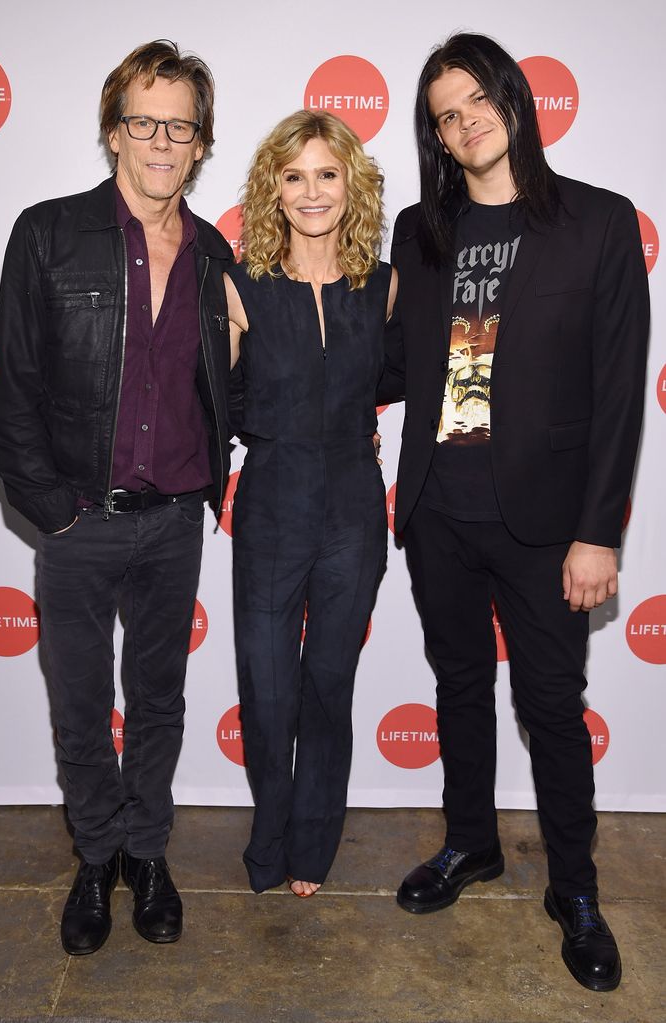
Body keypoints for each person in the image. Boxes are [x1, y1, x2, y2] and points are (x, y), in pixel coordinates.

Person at [379, 33, 649, 991]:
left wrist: (598, 532)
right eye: (445, 114)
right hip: (439, 513)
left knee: (550, 707)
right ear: (438, 136)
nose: (465, 120)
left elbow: (619, 393)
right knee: (457, 686)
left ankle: (573, 888)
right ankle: (469, 844)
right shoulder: (419, 230)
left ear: (513, 98)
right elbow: (392, 365)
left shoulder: (600, 221)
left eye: (476, 98)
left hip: (546, 524)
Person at [0, 40, 232, 955]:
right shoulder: (48, 232)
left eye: (180, 124)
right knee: (81, 705)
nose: (162, 140)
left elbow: (227, 384)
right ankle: (95, 858)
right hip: (79, 519)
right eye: (144, 120)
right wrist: (54, 511)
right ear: (113, 130)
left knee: (159, 701)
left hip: (174, 523)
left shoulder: (214, 254)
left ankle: (147, 852)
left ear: (201, 142)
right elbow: (10, 397)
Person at [225, 110, 396, 897]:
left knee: (328, 680)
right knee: (266, 685)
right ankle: (268, 839)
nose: (312, 191)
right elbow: (214, 396)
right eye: (294, 176)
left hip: (355, 506)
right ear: (273, 189)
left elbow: (400, 382)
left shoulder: (385, 283)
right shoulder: (240, 284)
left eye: (327, 174)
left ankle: (312, 847)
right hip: (270, 500)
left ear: (350, 183)